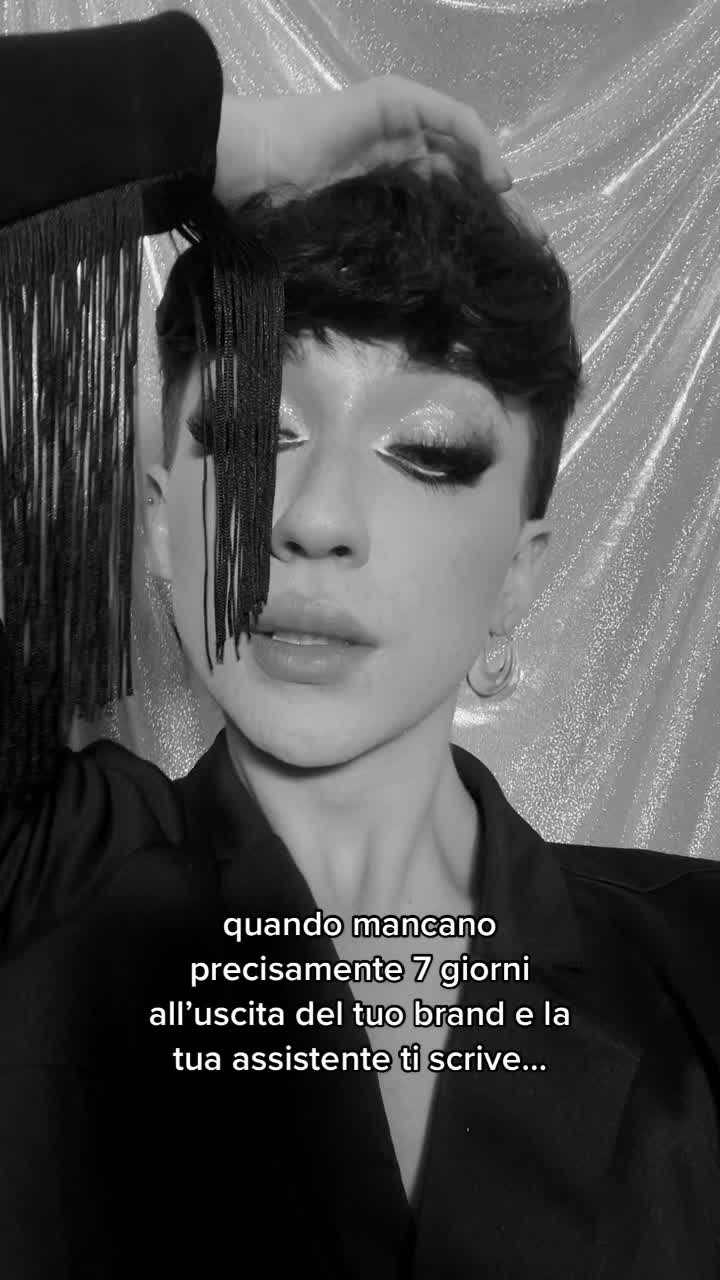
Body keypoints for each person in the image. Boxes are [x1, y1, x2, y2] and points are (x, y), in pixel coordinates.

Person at [1, 13, 719, 1280]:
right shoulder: (39, 892)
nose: (316, 517)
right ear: (162, 519)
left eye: (424, 449)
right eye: (248, 434)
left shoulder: (699, 971)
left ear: (518, 570)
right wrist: (198, 129)